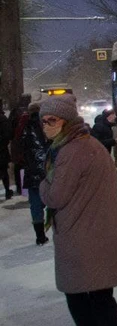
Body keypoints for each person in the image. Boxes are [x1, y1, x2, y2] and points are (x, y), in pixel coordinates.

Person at [37, 94, 117, 326]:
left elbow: (55, 196)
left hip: (80, 238)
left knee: (78, 295)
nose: (46, 126)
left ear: (66, 121)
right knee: (103, 298)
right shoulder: (92, 145)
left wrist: (41, 185)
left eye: (52, 121)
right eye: (43, 121)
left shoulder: (69, 152)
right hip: (101, 235)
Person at [20, 102, 50, 245]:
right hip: (46, 170)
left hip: (31, 171)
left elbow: (20, 148)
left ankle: (39, 235)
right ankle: (58, 228)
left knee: (35, 204)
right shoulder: (46, 124)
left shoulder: (24, 127)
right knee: (54, 199)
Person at [8, 93, 31, 195]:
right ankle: (29, 186)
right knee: (30, 165)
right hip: (30, 144)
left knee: (18, 165)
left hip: (17, 144)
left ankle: (19, 187)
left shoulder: (15, 111)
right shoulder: (32, 111)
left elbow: (10, 128)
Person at [0, 100, 12, 200]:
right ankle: (7, 191)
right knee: (4, 171)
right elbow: (8, 134)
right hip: (1, 150)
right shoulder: (3, 118)